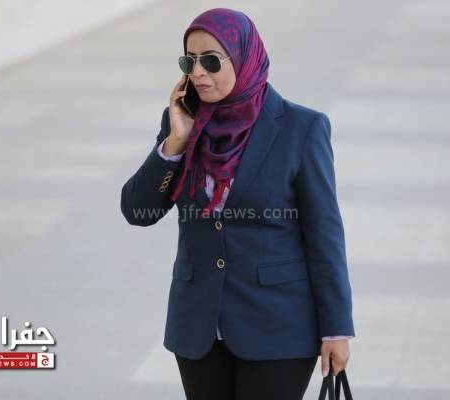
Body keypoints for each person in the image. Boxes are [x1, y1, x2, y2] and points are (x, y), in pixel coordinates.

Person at [120, 7, 355, 400]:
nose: (198, 73)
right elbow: (136, 209)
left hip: (278, 328)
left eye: (211, 61)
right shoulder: (181, 122)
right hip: (198, 329)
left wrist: (336, 328)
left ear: (244, 58)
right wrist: (175, 143)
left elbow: (324, 235)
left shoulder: (301, 128)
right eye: (189, 61)